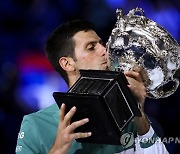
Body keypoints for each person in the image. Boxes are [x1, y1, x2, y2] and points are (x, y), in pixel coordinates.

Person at [16, 19, 169, 154]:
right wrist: (59, 148)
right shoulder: (35, 125)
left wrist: (139, 114)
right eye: (91, 47)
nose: (104, 50)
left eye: (101, 44)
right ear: (67, 64)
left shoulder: (130, 118)